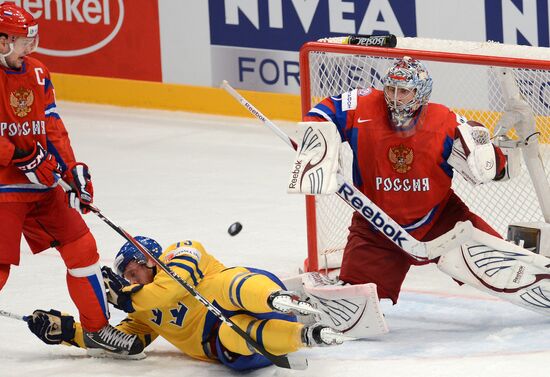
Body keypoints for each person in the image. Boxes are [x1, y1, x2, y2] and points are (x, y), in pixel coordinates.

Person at [302, 56, 508, 305]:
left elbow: (494, 165)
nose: (395, 98)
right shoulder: (362, 104)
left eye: (404, 92)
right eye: (391, 89)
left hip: (442, 221)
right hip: (377, 226)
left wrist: (490, 158)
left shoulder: (445, 120)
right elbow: (318, 115)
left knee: (507, 268)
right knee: (355, 303)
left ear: (420, 93)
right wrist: (317, 147)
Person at [0, 3, 142, 357]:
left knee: (82, 249)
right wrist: (17, 156)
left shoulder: (37, 73)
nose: (29, 47)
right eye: (21, 40)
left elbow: (51, 126)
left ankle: (96, 330)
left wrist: (71, 169)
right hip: (3, 187)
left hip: (42, 186)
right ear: (1, 41)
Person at [27, 237, 349, 370]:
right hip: (244, 353)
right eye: (126, 278)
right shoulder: (140, 309)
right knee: (230, 332)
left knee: (224, 287)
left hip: (249, 292)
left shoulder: (181, 252)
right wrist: (68, 330)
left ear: (148, 259)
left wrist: (126, 298)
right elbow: (123, 343)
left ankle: (278, 300)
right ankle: (306, 337)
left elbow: (170, 290)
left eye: (133, 271)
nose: (130, 280)